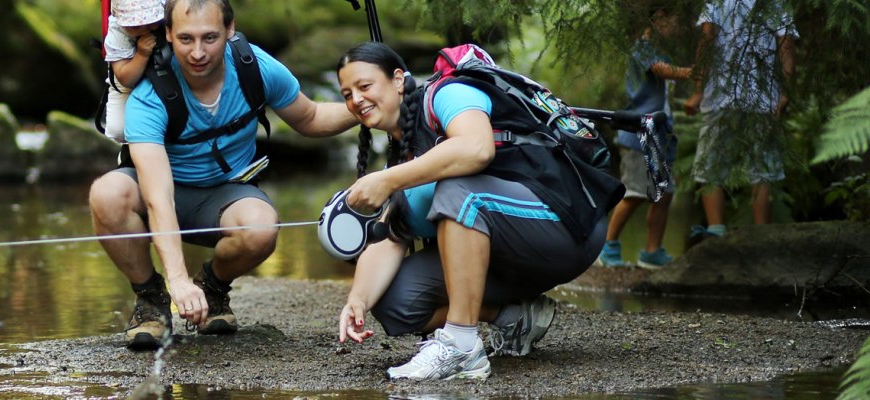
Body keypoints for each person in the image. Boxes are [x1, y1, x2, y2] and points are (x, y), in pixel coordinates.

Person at [330, 42, 610, 380]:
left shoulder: (448, 94)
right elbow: (391, 237)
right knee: (394, 302)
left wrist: (387, 180)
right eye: (347, 93)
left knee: (458, 190)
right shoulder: (401, 156)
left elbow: (477, 149)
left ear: (399, 80)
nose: (356, 99)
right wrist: (357, 301)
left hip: (566, 228)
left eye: (364, 86)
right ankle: (515, 316)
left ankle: (461, 346)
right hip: (509, 257)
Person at [89, 0, 356, 350]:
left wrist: (365, 108)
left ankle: (213, 288)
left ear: (230, 31)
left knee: (261, 227)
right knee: (106, 194)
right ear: (167, 34)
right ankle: (151, 300)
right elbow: (158, 196)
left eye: (209, 38)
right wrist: (177, 281)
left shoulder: (254, 67)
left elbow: (311, 118)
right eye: (185, 39)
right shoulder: (150, 93)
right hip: (163, 194)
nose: (197, 52)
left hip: (225, 195)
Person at [683, 0, 797, 238]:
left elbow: (707, 40)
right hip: (763, 98)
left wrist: (698, 90)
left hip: (719, 97)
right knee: (763, 169)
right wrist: (785, 92)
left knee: (710, 166)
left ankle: (715, 231)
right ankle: (762, 236)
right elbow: (786, 46)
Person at [598, 6, 694, 269]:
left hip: (660, 134)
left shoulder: (658, 48)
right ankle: (607, 246)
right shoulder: (643, 46)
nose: (677, 27)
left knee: (664, 194)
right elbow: (661, 69)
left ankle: (652, 251)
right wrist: (689, 72)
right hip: (638, 133)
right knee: (636, 192)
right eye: (674, 19)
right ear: (659, 17)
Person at [101, 0, 166, 141]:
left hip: (166, 70)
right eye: (134, 26)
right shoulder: (118, 32)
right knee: (119, 130)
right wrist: (141, 55)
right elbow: (125, 79)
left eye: (150, 23)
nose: (143, 28)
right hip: (127, 73)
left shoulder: (170, 12)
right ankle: (130, 151)